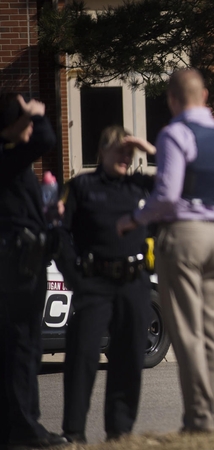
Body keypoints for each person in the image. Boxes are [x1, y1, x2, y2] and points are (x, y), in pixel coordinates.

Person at [117, 68, 214, 432]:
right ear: (203, 96)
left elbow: (167, 195)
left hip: (184, 234)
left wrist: (134, 219)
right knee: (212, 326)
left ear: (171, 99)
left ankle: (199, 419)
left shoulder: (175, 133)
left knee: (187, 330)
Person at [54, 126, 156, 444]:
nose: (127, 157)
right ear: (102, 152)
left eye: (130, 152)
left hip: (133, 283)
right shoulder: (81, 186)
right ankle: (74, 432)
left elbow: (180, 182)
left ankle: (119, 431)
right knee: (82, 356)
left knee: (128, 359)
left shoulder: (140, 186)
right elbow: (58, 235)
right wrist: (75, 279)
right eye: (120, 151)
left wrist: (151, 150)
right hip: (94, 283)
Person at [0, 93, 67, 449]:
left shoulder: (12, 162)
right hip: (19, 265)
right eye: (22, 119)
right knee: (25, 344)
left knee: (13, 345)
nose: (29, 125)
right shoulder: (8, 157)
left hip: (19, 260)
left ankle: (13, 427)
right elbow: (47, 139)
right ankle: (26, 428)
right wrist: (37, 114)